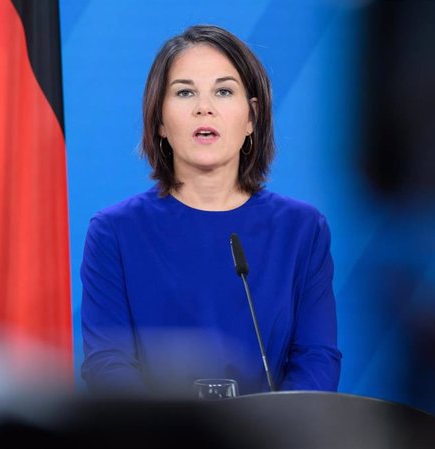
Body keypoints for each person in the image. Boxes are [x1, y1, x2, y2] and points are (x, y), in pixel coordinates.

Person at [80, 24, 341, 397]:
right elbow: (108, 363)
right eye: (185, 92)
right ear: (160, 123)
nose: (205, 107)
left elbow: (317, 358)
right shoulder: (114, 233)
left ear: (251, 118)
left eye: (223, 91)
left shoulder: (302, 230)